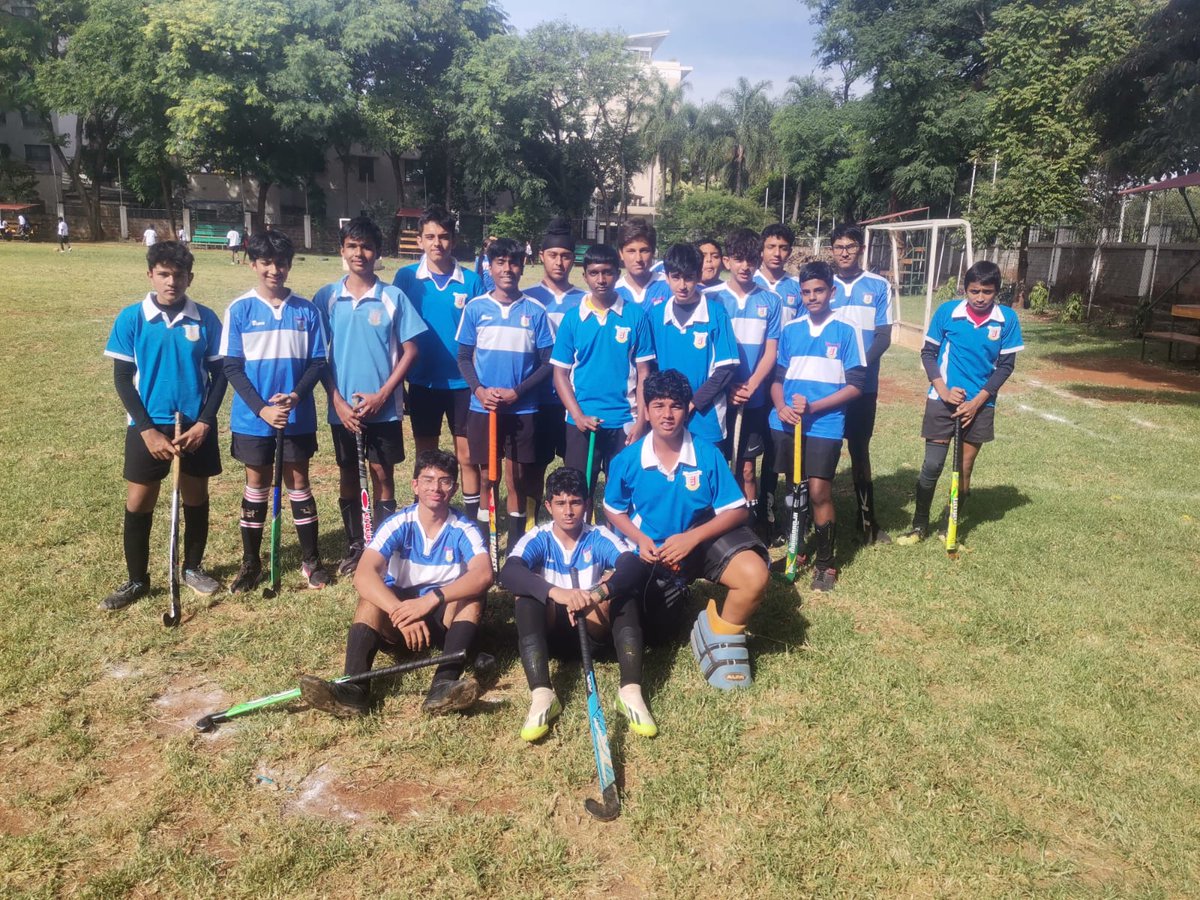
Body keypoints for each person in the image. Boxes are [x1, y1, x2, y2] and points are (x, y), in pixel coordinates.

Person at [604, 370, 769, 689]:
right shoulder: (627, 460)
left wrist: (692, 537)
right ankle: (677, 605)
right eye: (659, 405)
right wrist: (640, 540)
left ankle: (720, 632)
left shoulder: (706, 454)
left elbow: (736, 510)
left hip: (700, 540)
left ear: (687, 408)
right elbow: (613, 509)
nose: (667, 414)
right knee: (658, 635)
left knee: (755, 575)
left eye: (676, 405)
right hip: (655, 554)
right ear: (646, 410)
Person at [300, 450, 494, 717]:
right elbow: (364, 574)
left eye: (444, 481)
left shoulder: (464, 528)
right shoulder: (398, 523)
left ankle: (443, 685)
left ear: (455, 488)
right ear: (415, 485)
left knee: (473, 597)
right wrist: (399, 612)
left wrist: (429, 601)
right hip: (400, 621)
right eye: (427, 480)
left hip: (441, 618)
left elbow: (484, 574)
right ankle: (354, 690)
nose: (435, 488)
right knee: (369, 598)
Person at [100, 241, 227, 610]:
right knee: (139, 501)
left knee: (195, 496)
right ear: (151, 275)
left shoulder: (205, 318)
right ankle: (137, 579)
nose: (172, 282)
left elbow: (220, 376)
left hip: (193, 426)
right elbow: (123, 379)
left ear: (191, 277)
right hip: (149, 425)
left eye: (179, 275)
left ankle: (192, 568)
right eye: (164, 274)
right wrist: (146, 430)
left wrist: (204, 422)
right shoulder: (132, 318)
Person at [501, 467, 656, 740]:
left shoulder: (598, 536)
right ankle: (542, 695)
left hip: (592, 628)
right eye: (560, 503)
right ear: (548, 506)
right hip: (550, 633)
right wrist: (557, 593)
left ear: (586, 505)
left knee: (624, 593)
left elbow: (632, 566)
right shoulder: (539, 537)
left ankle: (630, 692)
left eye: (575, 502)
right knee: (526, 596)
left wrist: (597, 592)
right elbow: (509, 572)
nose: (568, 511)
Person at [315, 215, 426, 576]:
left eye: (366, 246)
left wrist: (382, 395)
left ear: (377, 252)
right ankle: (356, 544)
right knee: (349, 473)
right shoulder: (328, 297)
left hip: (384, 410)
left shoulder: (393, 297)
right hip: (343, 411)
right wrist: (337, 401)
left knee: (382, 474)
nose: (359, 253)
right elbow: (319, 357)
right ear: (342, 250)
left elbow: (410, 351)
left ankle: (383, 544)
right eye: (352, 246)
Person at [221, 229, 330, 592]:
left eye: (281, 263)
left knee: (299, 482)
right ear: (253, 264)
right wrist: (262, 410)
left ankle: (311, 560)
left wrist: (297, 396)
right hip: (253, 418)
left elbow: (317, 362)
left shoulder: (307, 310)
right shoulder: (239, 309)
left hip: (296, 415)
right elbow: (232, 367)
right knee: (257, 485)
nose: (274, 270)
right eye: (266, 262)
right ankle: (251, 562)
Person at [896, 260, 1023, 544]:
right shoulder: (947, 313)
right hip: (942, 401)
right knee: (932, 465)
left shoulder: (1007, 319)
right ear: (965, 289)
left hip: (980, 405)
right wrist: (942, 390)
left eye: (987, 292)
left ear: (996, 292)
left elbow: (1005, 366)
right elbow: (928, 353)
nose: (980, 297)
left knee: (963, 468)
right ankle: (919, 525)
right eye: (974, 290)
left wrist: (977, 402)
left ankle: (948, 526)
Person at [769, 261, 866, 591]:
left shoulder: (845, 329)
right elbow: (777, 379)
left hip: (824, 423)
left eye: (819, 290)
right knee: (792, 490)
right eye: (807, 292)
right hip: (787, 423)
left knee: (819, 491)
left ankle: (826, 562)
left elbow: (855, 386)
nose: (813, 297)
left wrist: (814, 407)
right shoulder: (791, 329)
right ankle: (797, 552)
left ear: (831, 292)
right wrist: (781, 406)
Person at [456, 237, 554, 550]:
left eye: (513, 262)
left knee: (517, 478)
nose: (507, 269)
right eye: (500, 262)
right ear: (490, 266)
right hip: (484, 409)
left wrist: (517, 392)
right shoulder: (476, 308)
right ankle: (483, 542)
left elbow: (547, 363)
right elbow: (463, 357)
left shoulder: (535, 311)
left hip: (522, 411)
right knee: (487, 477)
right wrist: (479, 390)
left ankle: (515, 545)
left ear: (522, 266)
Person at [394, 206, 487, 531]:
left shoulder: (472, 281)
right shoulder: (407, 278)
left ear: (454, 240)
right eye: (430, 236)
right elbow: (396, 333)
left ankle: (473, 523)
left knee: (467, 456)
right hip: (422, 382)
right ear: (420, 240)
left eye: (444, 237)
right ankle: (428, 518)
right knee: (427, 455)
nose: (438, 243)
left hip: (463, 384)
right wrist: (400, 382)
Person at [551, 243, 655, 501]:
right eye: (594, 273)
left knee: (620, 493)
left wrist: (641, 421)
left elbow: (644, 373)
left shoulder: (635, 315)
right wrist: (578, 416)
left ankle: (617, 541)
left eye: (607, 272)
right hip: (582, 422)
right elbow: (560, 375)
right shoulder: (573, 318)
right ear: (584, 275)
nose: (601, 280)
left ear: (617, 274)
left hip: (625, 421)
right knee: (578, 494)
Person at [828, 224, 895, 545]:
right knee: (823, 450)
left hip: (862, 386)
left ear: (860, 250)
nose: (844, 252)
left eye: (850, 246)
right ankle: (819, 520)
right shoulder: (822, 286)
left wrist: (856, 368)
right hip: (825, 386)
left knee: (859, 450)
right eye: (838, 246)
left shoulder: (878, 285)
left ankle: (866, 518)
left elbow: (883, 336)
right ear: (831, 250)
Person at [712, 229, 781, 523]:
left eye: (751, 260)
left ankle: (751, 529)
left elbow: (771, 351)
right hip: (717, 399)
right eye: (738, 259)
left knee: (747, 469)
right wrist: (726, 388)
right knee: (714, 464)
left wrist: (751, 386)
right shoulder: (712, 299)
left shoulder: (771, 301)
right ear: (727, 261)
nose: (745, 266)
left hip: (752, 399)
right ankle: (712, 525)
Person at [523, 217, 585, 508]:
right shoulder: (527, 299)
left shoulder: (586, 301)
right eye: (553, 255)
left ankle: (580, 524)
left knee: (576, 469)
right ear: (541, 256)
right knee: (534, 465)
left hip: (575, 401)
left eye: (566, 256)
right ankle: (533, 520)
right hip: (539, 399)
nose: (559, 262)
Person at [649, 243, 738, 447]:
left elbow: (726, 369)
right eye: (676, 277)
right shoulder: (656, 315)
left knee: (705, 474)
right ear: (666, 276)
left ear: (698, 276)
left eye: (689, 278)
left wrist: (692, 404)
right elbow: (650, 367)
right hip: (667, 414)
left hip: (706, 416)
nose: (682, 285)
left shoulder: (716, 313)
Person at [615, 217, 672, 311]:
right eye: (631, 251)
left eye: (644, 251)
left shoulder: (669, 286)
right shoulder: (614, 292)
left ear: (653, 252)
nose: (638, 258)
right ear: (621, 253)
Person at [755, 224, 802, 325]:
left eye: (783, 248)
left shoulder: (799, 287)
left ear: (789, 252)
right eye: (771, 247)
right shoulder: (749, 282)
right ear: (761, 251)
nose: (777, 253)